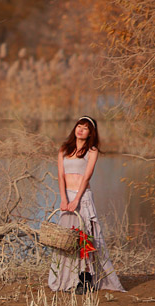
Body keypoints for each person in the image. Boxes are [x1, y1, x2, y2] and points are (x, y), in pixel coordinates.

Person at [48, 116, 125, 293]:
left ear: (91, 132)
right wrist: (64, 199)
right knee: (67, 238)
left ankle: (86, 277)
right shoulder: (64, 149)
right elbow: (60, 176)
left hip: (82, 196)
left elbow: (86, 176)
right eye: (79, 126)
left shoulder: (92, 151)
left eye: (85, 128)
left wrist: (76, 199)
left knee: (85, 236)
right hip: (67, 197)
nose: (80, 130)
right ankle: (69, 278)